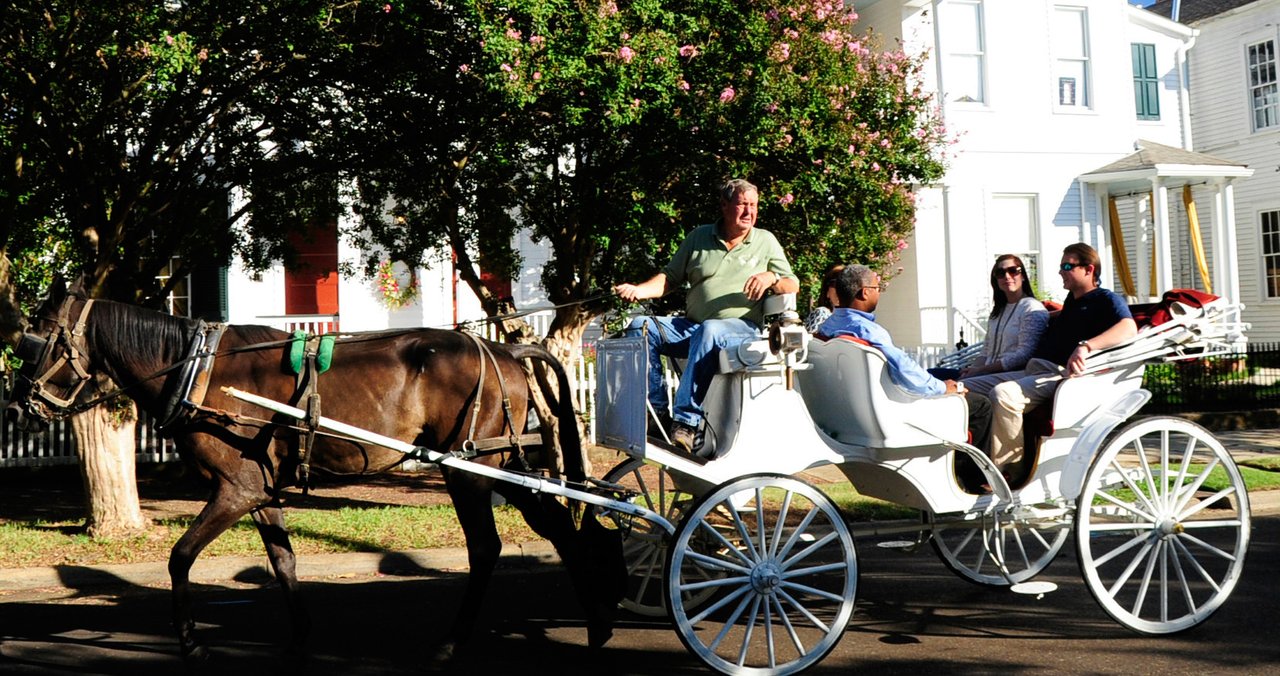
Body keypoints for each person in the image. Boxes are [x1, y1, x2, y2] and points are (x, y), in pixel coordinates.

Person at [614, 178, 799, 454]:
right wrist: (639, 290)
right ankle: (657, 416)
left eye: (754, 206)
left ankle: (686, 423)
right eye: (742, 205)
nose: (749, 212)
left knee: (710, 329)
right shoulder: (699, 237)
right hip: (694, 328)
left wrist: (771, 276)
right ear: (724, 206)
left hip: (740, 330)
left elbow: (792, 284)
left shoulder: (765, 241)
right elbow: (669, 278)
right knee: (640, 326)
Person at [962, 243, 1137, 479]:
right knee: (962, 387)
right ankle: (968, 463)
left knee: (1004, 395)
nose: (1061, 272)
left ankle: (1010, 470)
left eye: (1067, 266)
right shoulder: (1074, 301)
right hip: (1033, 371)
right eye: (1061, 266)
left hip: (1057, 375)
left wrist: (1085, 347)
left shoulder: (1106, 299)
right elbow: (1064, 319)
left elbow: (1128, 328)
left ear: (1089, 269)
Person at [816, 265, 991, 452]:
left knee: (944, 375)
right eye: (877, 288)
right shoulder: (868, 330)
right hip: (893, 413)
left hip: (851, 416)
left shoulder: (827, 327)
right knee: (981, 405)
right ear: (865, 293)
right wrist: (942, 388)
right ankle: (970, 478)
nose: (879, 293)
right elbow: (903, 368)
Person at [958, 254, 1049, 389]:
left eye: (1013, 271)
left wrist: (981, 370)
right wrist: (971, 370)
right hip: (986, 374)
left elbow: (1024, 355)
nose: (1007, 276)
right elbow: (985, 352)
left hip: (1014, 375)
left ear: (1022, 275)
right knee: (935, 376)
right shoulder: (997, 312)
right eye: (1000, 273)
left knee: (957, 387)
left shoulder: (1031, 308)